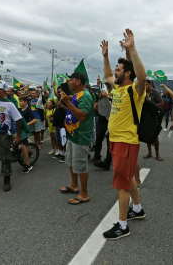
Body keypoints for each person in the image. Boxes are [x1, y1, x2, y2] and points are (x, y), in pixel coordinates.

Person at [99, 29, 147, 240]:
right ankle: (137, 209)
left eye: (119, 70)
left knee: (121, 184)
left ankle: (122, 226)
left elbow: (142, 75)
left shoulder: (134, 90)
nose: (114, 73)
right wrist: (106, 57)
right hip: (116, 140)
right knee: (128, 179)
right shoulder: (117, 89)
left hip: (126, 142)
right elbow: (108, 75)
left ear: (127, 73)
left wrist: (132, 48)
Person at [59, 71, 94, 205]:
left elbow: (82, 115)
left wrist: (68, 102)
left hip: (80, 136)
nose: (69, 82)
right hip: (72, 135)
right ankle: (74, 185)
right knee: (71, 162)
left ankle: (84, 194)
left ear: (78, 81)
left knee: (80, 164)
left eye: (71, 79)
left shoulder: (85, 96)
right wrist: (64, 103)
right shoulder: (76, 95)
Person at [142, 79, 164, 161]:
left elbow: (161, 103)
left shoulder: (155, 92)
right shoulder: (142, 93)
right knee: (148, 134)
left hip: (154, 116)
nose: (145, 86)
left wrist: (151, 104)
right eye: (144, 84)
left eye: (146, 84)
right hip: (145, 116)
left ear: (150, 84)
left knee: (155, 136)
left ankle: (157, 153)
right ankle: (149, 152)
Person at [18, 95, 36, 173]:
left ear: (26, 102)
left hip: (25, 130)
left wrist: (27, 124)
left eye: (21, 101)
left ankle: (28, 165)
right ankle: (28, 152)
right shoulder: (19, 109)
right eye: (19, 101)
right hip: (18, 130)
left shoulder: (28, 110)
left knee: (22, 145)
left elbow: (34, 120)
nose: (20, 102)